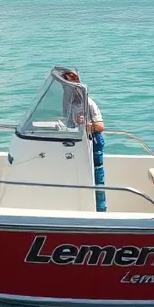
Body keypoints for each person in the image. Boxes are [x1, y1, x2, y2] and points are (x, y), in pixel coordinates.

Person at [60, 69, 107, 212]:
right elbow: (68, 121)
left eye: (70, 84)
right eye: (65, 85)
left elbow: (100, 126)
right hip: (78, 141)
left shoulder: (89, 102)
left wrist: (86, 124)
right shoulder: (69, 103)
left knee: (97, 177)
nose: (67, 88)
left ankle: (101, 210)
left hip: (93, 141)